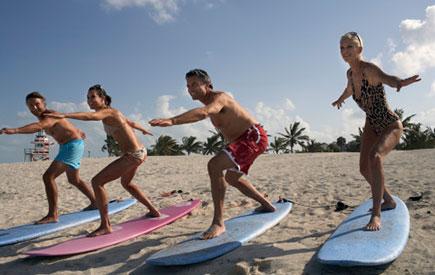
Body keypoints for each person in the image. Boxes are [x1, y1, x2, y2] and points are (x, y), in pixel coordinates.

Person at [149, 69, 275, 239]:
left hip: (253, 137)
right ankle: (267, 205)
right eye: (187, 85)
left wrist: (172, 120)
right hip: (243, 140)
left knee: (214, 165)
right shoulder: (210, 103)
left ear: (207, 85)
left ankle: (218, 223)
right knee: (232, 178)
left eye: (194, 84)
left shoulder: (219, 98)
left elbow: (204, 113)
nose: (190, 89)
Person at [332, 32, 420, 231]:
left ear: (360, 49)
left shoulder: (368, 69)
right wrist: (340, 99)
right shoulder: (350, 74)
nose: (345, 51)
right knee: (364, 168)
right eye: (342, 48)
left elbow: (388, 78)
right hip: (371, 123)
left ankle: (376, 214)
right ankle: (388, 200)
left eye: (349, 47)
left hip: (389, 124)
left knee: (376, 157)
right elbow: (349, 90)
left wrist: (400, 82)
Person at [45, 84, 160, 236]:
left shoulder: (108, 113)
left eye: (93, 97)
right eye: (88, 98)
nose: (89, 100)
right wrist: (142, 129)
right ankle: (154, 211)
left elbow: (91, 116)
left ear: (103, 99)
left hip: (133, 155)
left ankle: (105, 225)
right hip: (139, 152)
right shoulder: (112, 113)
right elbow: (129, 123)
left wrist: (64, 115)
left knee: (97, 182)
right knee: (126, 183)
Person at [0, 92, 97, 224]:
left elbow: (39, 127)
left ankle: (53, 214)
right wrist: (78, 131)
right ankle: (95, 202)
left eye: (37, 104)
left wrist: (15, 130)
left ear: (44, 104)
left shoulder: (49, 115)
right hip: (69, 146)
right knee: (74, 179)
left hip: (71, 146)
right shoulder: (45, 117)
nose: (34, 108)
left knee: (48, 177)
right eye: (30, 106)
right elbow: (64, 125)